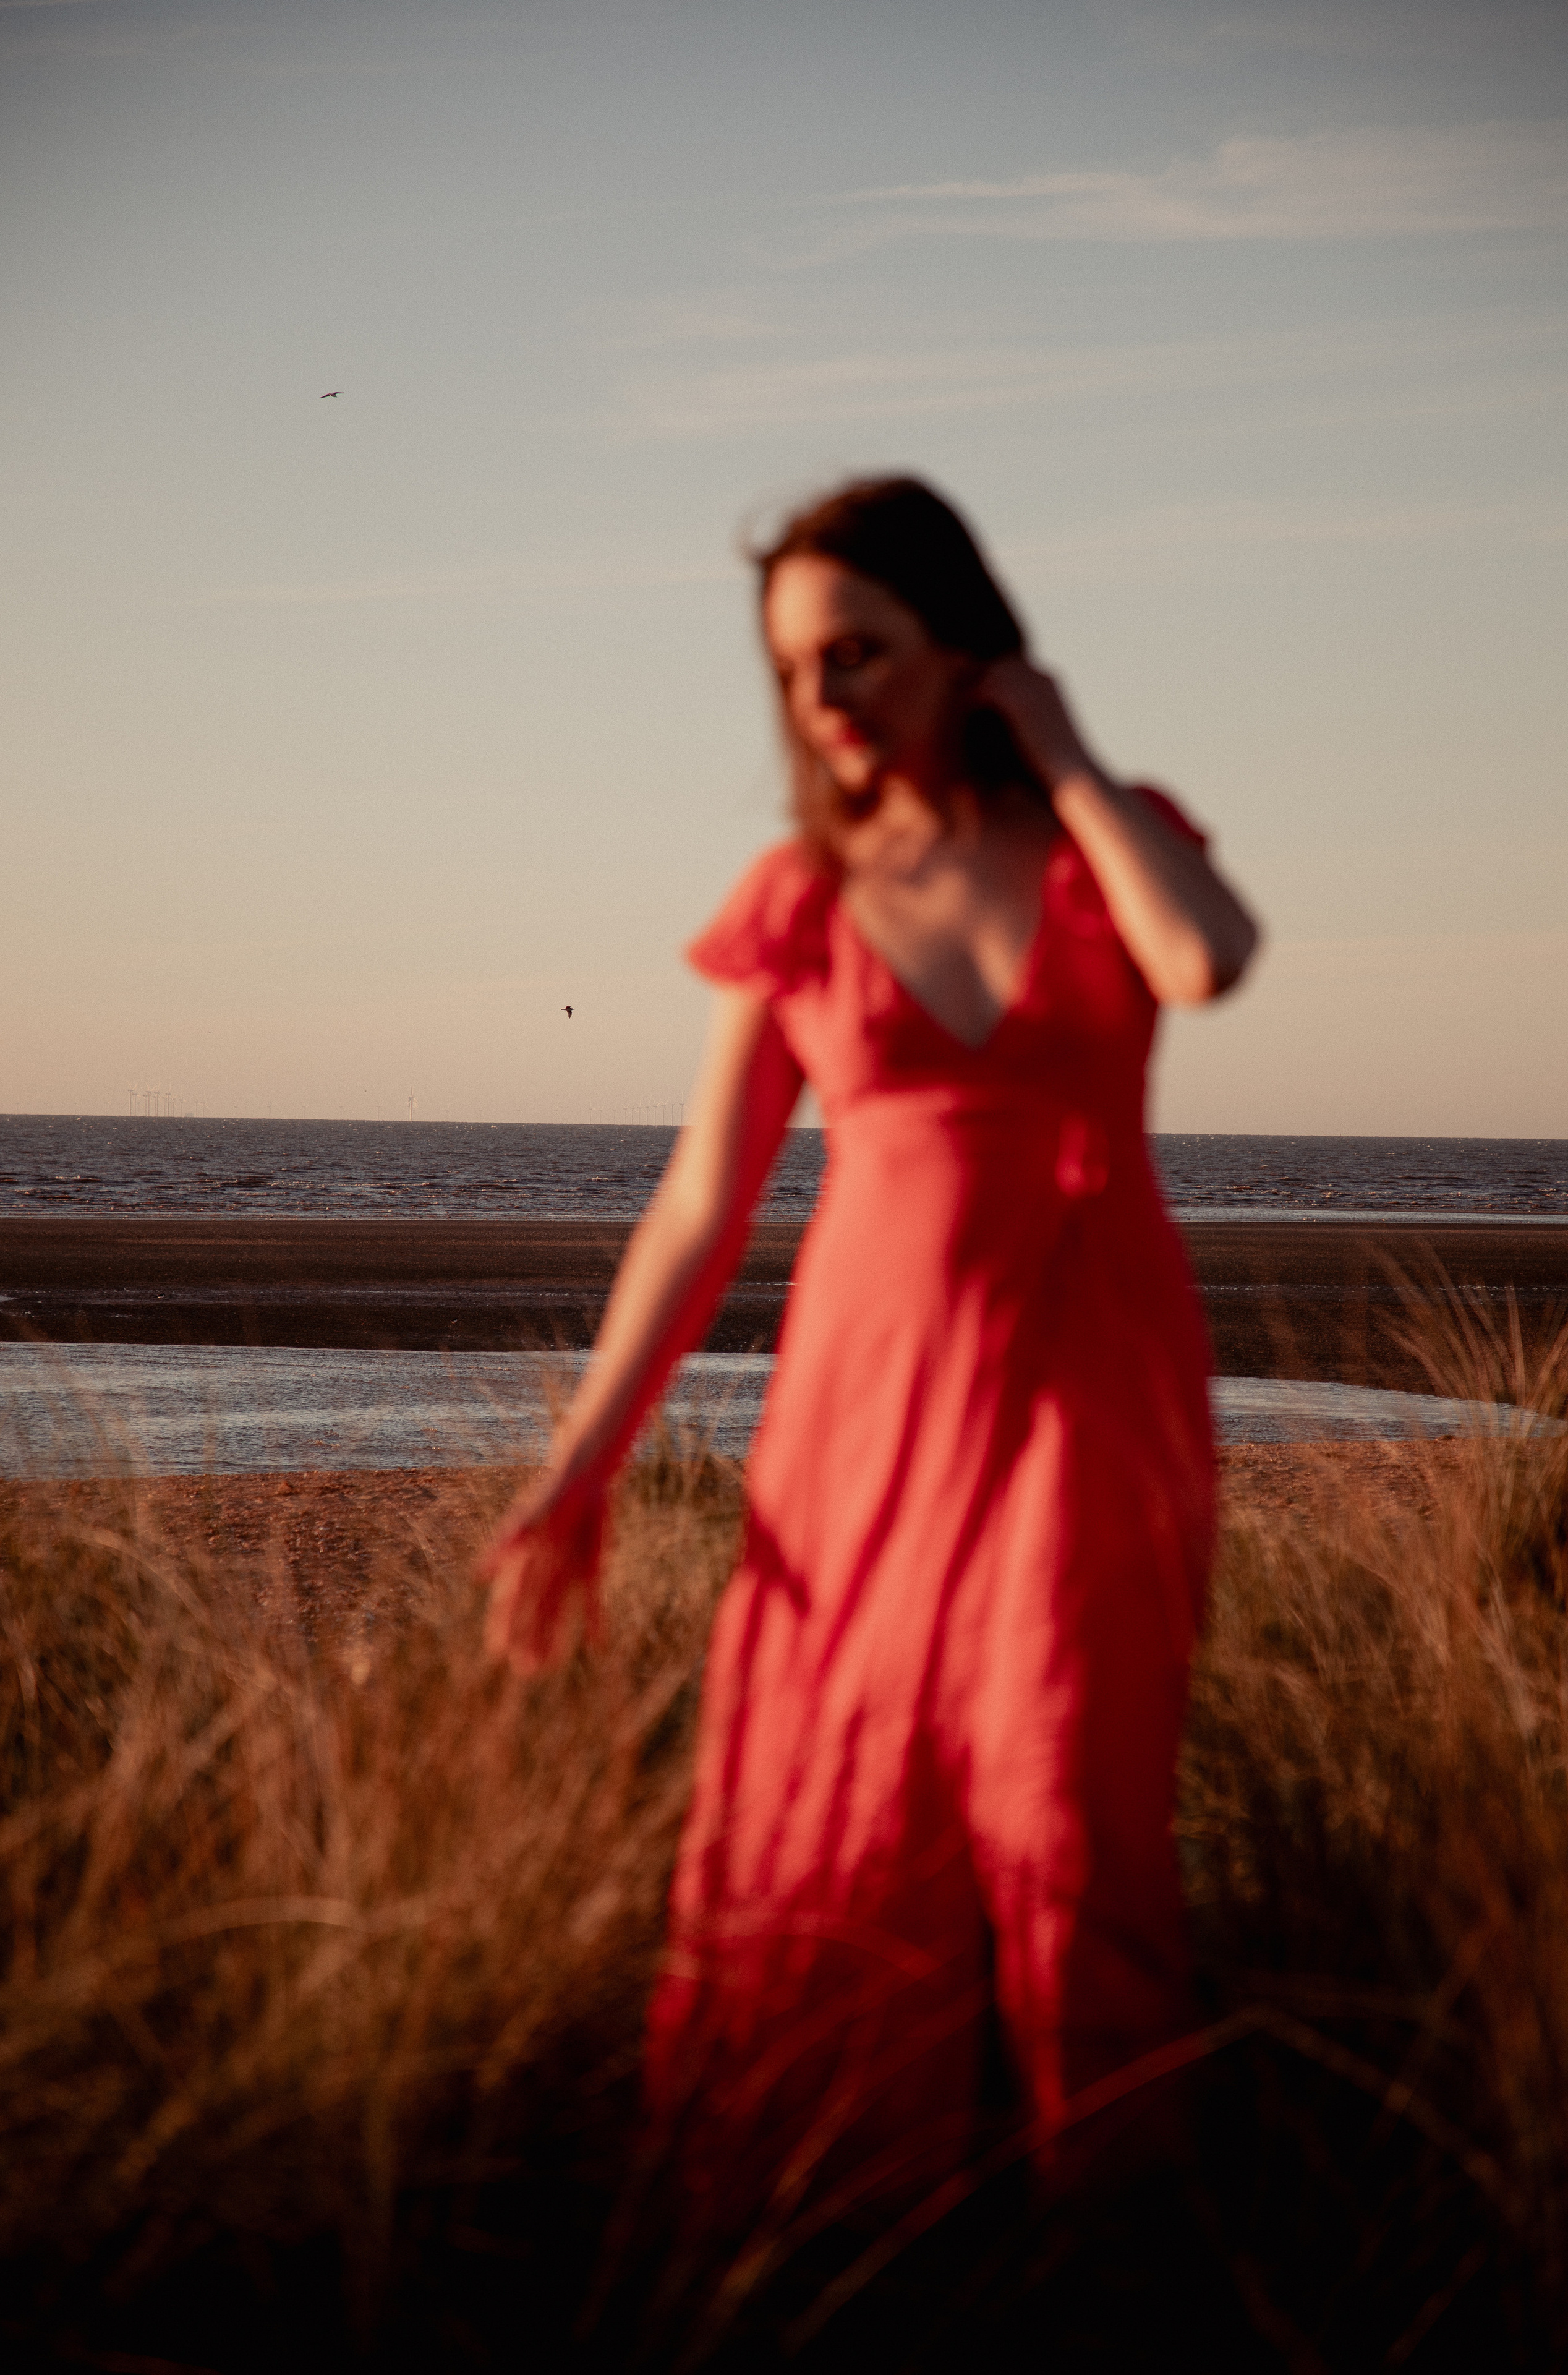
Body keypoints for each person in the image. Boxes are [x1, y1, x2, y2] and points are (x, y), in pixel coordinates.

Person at [478, 477, 1259, 2239]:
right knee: (835, 1811)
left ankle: (1114, 2258)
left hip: (1093, 1399)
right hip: (860, 1416)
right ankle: (837, 2242)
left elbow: (1207, 962)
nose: (826, 698)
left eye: (862, 653)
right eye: (794, 671)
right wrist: (579, 1468)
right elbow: (697, 1209)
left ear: (959, 646)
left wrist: (1063, 753)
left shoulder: (1104, 838)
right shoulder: (798, 897)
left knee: (1072, 1813)